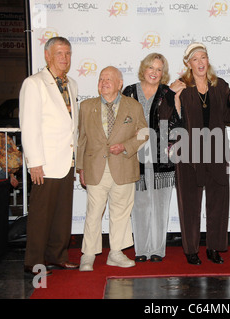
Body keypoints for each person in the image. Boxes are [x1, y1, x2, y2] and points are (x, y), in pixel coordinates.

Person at [77, 66, 148, 271]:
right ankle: (88, 255)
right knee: (93, 213)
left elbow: (144, 133)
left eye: (109, 79)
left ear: (119, 84)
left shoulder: (133, 106)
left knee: (121, 214)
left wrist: (126, 146)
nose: (104, 82)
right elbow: (81, 140)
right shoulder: (86, 106)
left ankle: (116, 253)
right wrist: (80, 167)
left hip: (124, 167)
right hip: (94, 167)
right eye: (101, 79)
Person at [19, 37, 79, 276]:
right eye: (59, 53)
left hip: (67, 160)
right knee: (41, 215)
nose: (64, 58)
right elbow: (30, 126)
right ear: (47, 56)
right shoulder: (34, 84)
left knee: (62, 214)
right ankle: (33, 261)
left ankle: (57, 256)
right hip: (44, 162)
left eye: (67, 53)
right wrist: (34, 163)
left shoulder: (71, 84)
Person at [173, 42, 230, 265]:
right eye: (195, 59)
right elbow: (168, 119)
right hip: (188, 154)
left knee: (218, 202)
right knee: (189, 203)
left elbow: (229, 118)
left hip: (216, 151)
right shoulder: (181, 87)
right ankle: (191, 249)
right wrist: (172, 96)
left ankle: (214, 248)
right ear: (188, 64)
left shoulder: (221, 86)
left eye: (203, 57)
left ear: (208, 60)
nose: (200, 62)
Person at [122, 53, 182, 263]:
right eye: (151, 68)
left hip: (161, 156)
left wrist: (170, 146)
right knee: (138, 205)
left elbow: (176, 121)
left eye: (159, 69)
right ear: (144, 68)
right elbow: (123, 123)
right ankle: (141, 250)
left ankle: (157, 249)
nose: (155, 73)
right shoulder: (129, 91)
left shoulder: (168, 91)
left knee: (159, 204)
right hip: (135, 156)